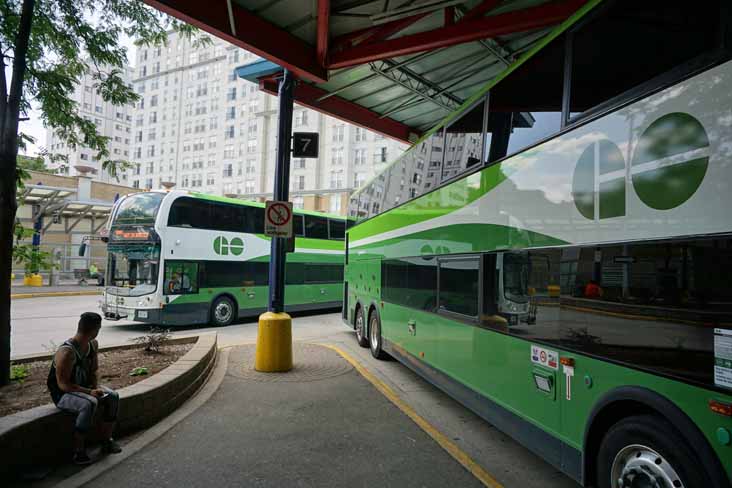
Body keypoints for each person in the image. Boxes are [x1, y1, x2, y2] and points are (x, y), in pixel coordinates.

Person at [47, 312, 122, 465]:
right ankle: (79, 452)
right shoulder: (67, 352)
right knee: (89, 403)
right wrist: (90, 392)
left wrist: (95, 388)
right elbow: (63, 385)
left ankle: (107, 440)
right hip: (63, 394)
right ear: (95, 329)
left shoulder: (92, 345)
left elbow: (93, 370)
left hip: (85, 387)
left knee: (113, 397)